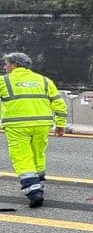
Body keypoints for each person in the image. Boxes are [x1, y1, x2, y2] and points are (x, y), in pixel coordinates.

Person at [0, 53, 67, 207]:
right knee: (38, 153)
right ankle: (38, 181)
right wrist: (61, 125)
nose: (5, 67)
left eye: (6, 64)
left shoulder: (3, 81)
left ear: (14, 65)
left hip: (17, 126)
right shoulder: (44, 80)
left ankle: (33, 191)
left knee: (22, 156)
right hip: (42, 124)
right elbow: (59, 104)